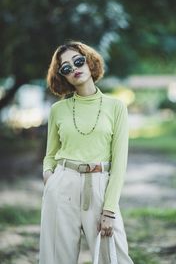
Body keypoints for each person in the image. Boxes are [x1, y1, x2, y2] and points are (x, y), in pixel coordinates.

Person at [38, 41, 134, 264]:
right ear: (62, 76)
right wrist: (49, 177)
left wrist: (109, 210)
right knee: (56, 258)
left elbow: (119, 163)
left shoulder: (116, 107)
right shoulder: (58, 110)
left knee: (113, 257)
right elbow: (50, 154)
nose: (74, 69)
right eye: (66, 68)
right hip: (62, 185)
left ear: (90, 63)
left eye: (78, 61)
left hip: (99, 184)